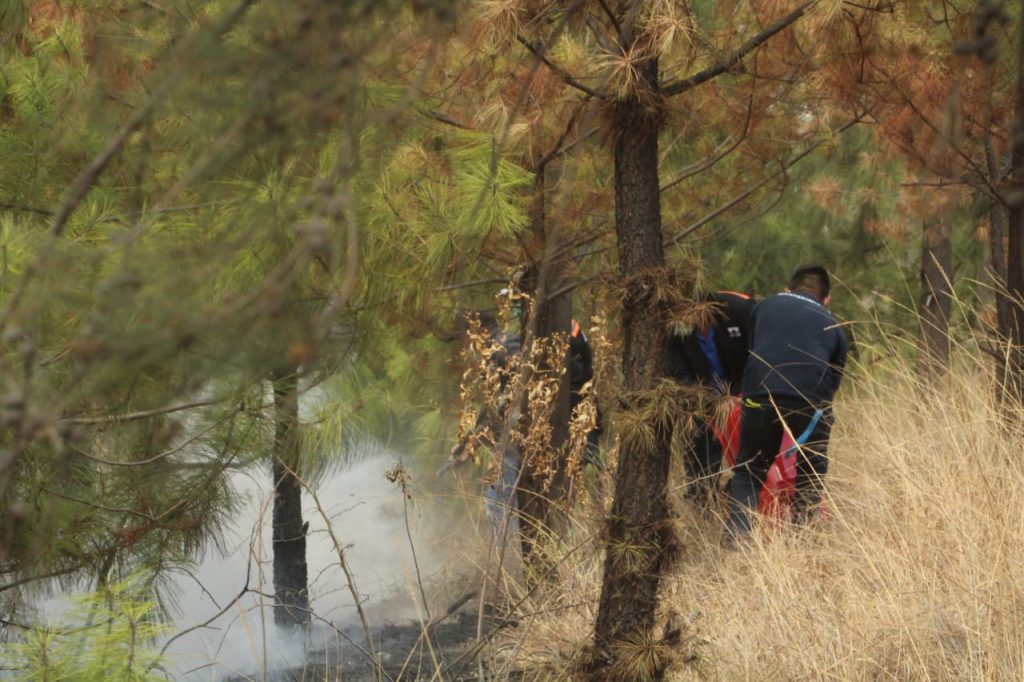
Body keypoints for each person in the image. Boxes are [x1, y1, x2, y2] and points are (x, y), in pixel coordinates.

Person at [726, 264, 848, 538]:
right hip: (810, 402)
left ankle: (737, 540)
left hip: (759, 394)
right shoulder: (835, 327)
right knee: (810, 476)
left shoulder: (763, 307)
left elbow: (753, 350)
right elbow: (832, 387)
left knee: (749, 471)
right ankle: (803, 541)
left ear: (787, 290)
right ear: (826, 299)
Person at [667, 290, 755, 504]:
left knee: (751, 450)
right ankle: (703, 500)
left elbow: (756, 356)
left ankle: (740, 495)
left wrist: (741, 393)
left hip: (742, 393)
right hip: (703, 399)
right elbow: (679, 373)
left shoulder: (737, 311)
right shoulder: (677, 330)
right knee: (700, 448)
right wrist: (707, 399)